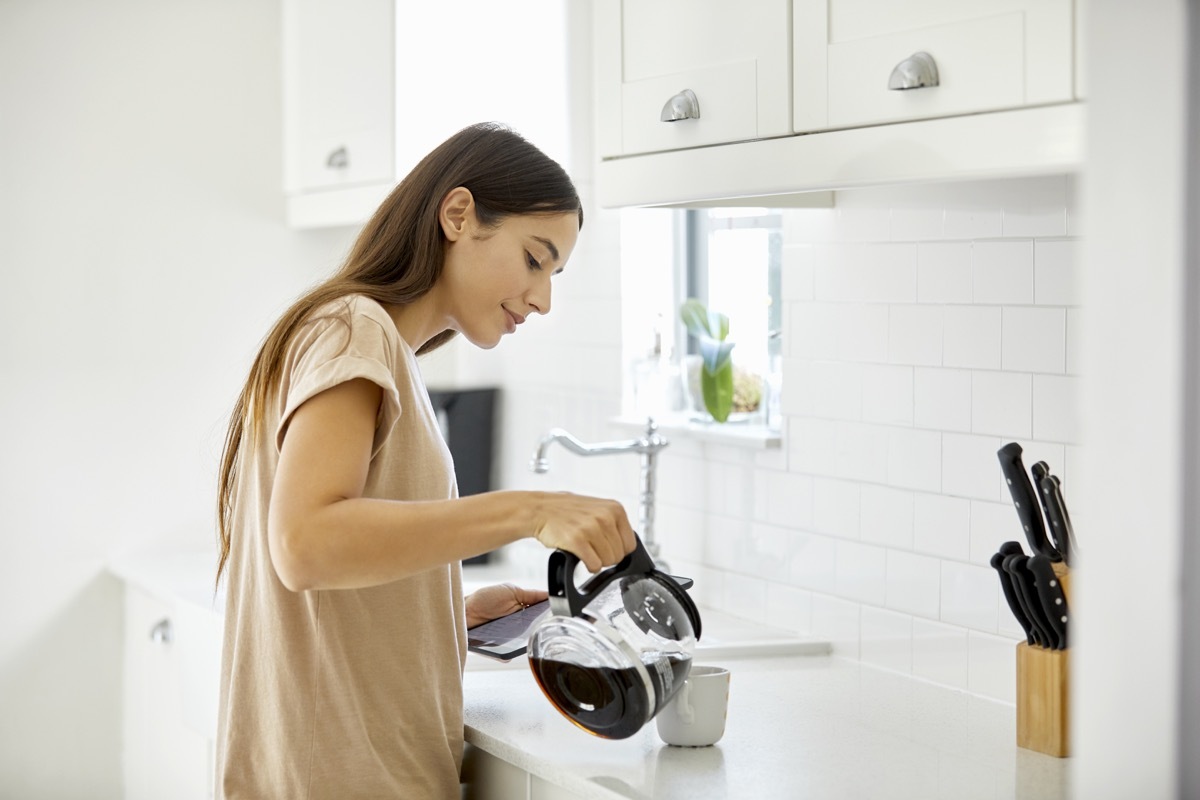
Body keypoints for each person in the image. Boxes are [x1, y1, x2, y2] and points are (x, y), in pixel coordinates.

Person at [213, 122, 636, 799]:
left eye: (554, 273)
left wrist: (443, 609)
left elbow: (327, 568)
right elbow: (305, 544)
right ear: (459, 215)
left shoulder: (368, 343)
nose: (543, 298)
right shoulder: (355, 332)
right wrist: (528, 510)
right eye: (535, 259)